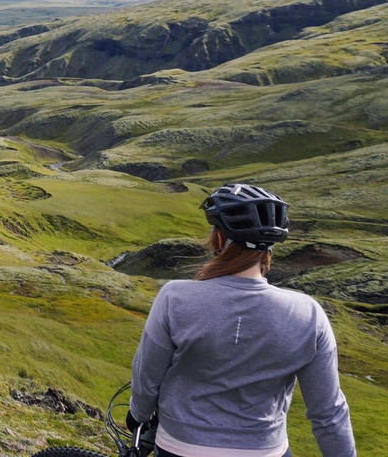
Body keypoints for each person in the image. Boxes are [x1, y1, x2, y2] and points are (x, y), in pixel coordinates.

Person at [128, 183, 356, 457]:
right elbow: (328, 412)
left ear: (220, 239)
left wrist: (138, 415)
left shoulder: (175, 297)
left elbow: (147, 377)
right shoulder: (308, 313)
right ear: (269, 247)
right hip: (265, 450)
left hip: (180, 446)